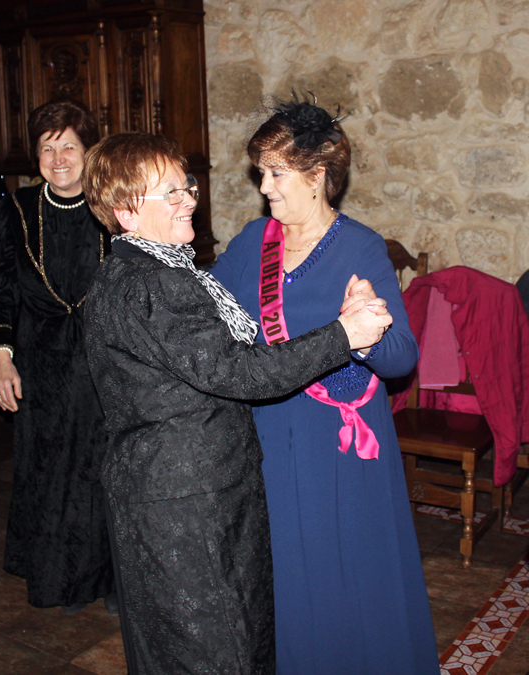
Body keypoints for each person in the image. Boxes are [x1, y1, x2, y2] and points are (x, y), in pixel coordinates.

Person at [80, 131, 392, 675]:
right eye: (171, 194)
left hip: (169, 490)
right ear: (127, 212)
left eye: (187, 187)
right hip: (186, 501)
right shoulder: (156, 284)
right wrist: (344, 334)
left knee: (188, 648)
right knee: (218, 651)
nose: (189, 200)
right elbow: (240, 371)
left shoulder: (140, 271)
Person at [210, 98, 439, 674]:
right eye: (261, 172)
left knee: (349, 576)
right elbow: (204, 310)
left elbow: (402, 357)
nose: (264, 186)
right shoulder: (252, 242)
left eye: (276, 172)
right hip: (268, 433)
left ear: (317, 175)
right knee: (287, 573)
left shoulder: (360, 247)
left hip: (339, 444)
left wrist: (365, 332)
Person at [0, 99, 115, 614]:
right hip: (39, 362)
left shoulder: (113, 205)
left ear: (88, 152)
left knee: (103, 468)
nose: (58, 158)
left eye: (69, 147)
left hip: (103, 358)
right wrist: (1, 359)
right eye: (47, 147)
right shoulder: (16, 209)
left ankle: (111, 580)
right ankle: (62, 580)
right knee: (51, 470)